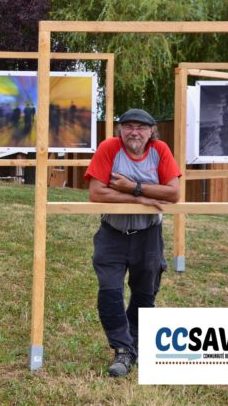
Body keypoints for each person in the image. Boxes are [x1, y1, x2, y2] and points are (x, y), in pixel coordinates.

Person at [84, 108, 181, 377]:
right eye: (128, 127)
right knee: (110, 291)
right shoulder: (109, 148)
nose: (134, 132)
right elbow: (96, 192)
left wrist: (132, 186)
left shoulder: (160, 150)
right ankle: (122, 350)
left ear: (151, 132)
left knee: (144, 293)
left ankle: (134, 343)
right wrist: (139, 198)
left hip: (148, 235)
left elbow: (173, 192)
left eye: (141, 127)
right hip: (112, 234)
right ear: (120, 130)